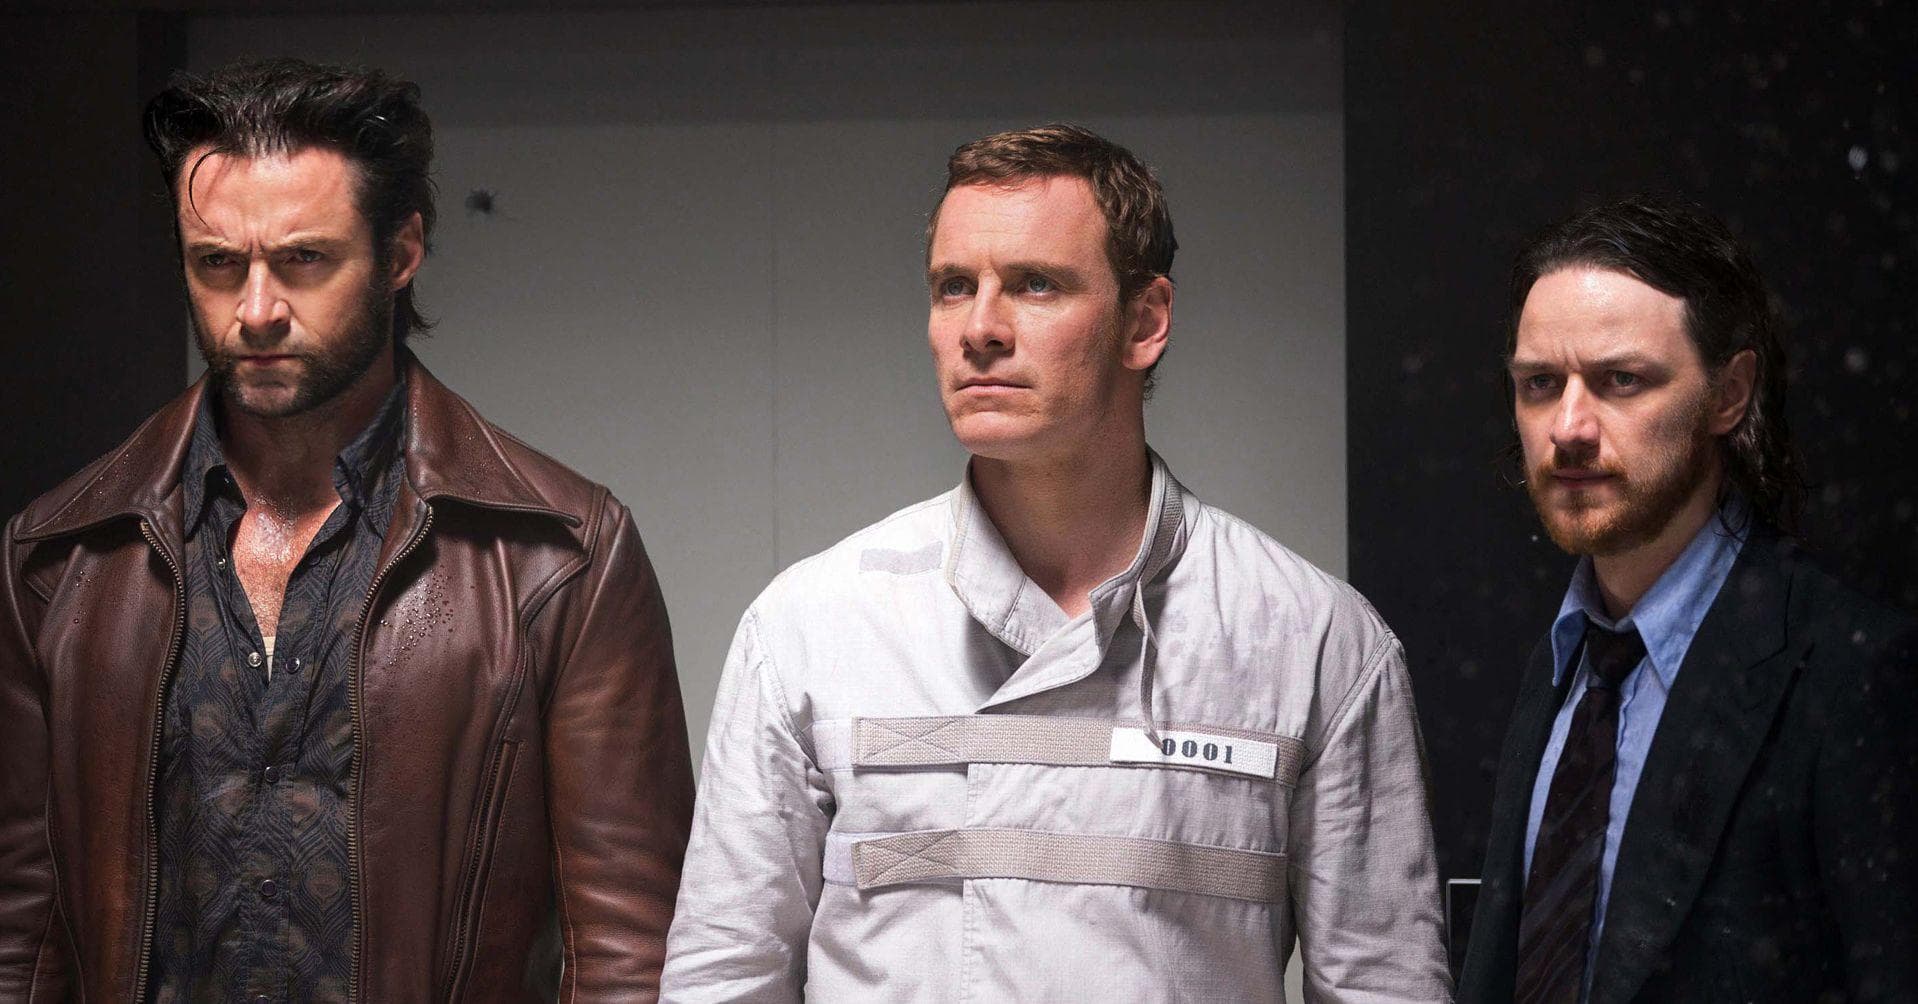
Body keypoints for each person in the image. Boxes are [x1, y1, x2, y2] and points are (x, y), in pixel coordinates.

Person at [661, 124, 1451, 1002]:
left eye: (1036, 284)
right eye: (954, 287)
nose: (980, 329)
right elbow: (724, 977)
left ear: (1144, 321)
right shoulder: (810, 626)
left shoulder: (1313, 639)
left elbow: (1384, 985)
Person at [0, 58, 694, 1001]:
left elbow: (627, 946)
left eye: (303, 261)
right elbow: (23, 933)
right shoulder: (61, 555)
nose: (256, 312)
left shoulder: (559, 555)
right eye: (217, 264)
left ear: (400, 254)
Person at [1458, 195, 1918, 1003]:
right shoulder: (1565, 662)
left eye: (1621, 380)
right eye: (1540, 384)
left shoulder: (1850, 674)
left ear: (1729, 393)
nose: (1568, 426)